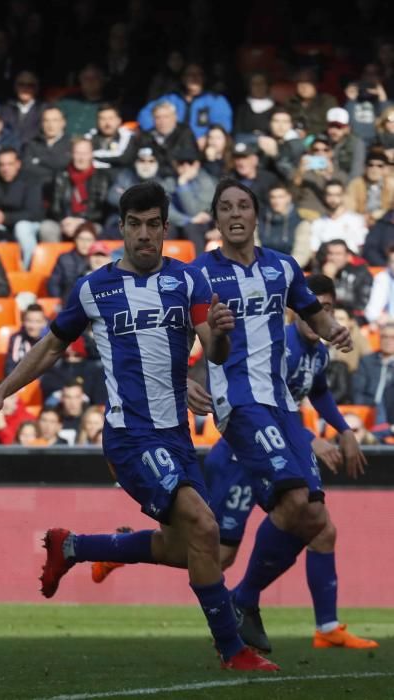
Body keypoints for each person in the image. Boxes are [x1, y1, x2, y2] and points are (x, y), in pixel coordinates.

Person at [0, 181, 277, 671]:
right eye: (134, 225)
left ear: (164, 228)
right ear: (121, 229)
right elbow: (51, 348)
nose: (144, 234)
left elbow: (214, 352)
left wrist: (221, 334)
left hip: (176, 438)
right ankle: (233, 651)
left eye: (152, 224)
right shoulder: (93, 288)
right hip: (130, 437)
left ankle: (73, 546)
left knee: (191, 550)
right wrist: (1, 391)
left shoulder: (188, 282)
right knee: (205, 526)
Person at [97, 275, 377, 651]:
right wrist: (313, 439)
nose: (319, 317)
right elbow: (252, 394)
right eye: (315, 308)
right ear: (295, 310)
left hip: (271, 451)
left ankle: (324, 625)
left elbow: (318, 391)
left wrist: (342, 427)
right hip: (238, 457)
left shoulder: (317, 353)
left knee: (317, 528)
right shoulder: (282, 347)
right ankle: (119, 548)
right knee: (214, 551)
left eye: (327, 309)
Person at [191, 178, 352, 656]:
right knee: (292, 500)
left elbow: (312, 314)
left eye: (244, 205)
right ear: (217, 219)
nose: (235, 213)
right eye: (226, 207)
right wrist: (189, 373)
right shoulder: (199, 273)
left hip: (282, 405)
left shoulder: (282, 267)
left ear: (257, 215)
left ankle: (243, 597)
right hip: (238, 403)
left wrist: (334, 330)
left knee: (311, 515)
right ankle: (241, 599)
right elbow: (196, 343)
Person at [0, 148, 43, 268]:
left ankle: (28, 270)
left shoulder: (31, 180)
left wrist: (5, 217)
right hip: (1, 224)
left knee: (21, 228)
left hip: (29, 224)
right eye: (2, 165)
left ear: (18, 164)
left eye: (10, 164)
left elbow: (33, 213)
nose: (5, 169)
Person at [257, 184, 312, 268]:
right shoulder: (258, 222)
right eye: (273, 197)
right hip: (261, 268)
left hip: (289, 270)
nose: (276, 201)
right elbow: (253, 249)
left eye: (280, 197)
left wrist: (285, 269)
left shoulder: (301, 224)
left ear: (289, 198)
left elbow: (301, 253)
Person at [310, 181, 368, 255]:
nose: (333, 199)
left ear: (343, 196)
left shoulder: (357, 220)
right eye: (329, 195)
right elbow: (314, 250)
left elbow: (361, 246)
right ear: (324, 196)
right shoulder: (318, 223)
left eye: (337, 195)